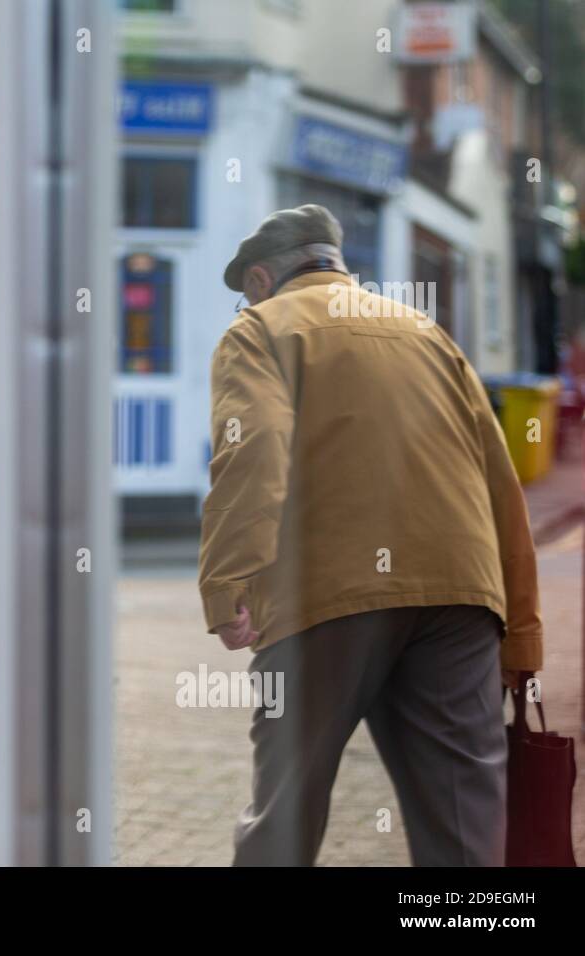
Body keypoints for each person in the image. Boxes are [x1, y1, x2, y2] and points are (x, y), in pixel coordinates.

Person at [200, 204, 542, 866]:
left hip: (326, 593)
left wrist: (228, 581)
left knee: (284, 816)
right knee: (464, 824)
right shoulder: (426, 332)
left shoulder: (259, 331)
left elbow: (256, 448)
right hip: (459, 596)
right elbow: (501, 483)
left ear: (264, 277)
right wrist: (521, 632)